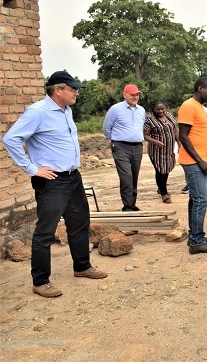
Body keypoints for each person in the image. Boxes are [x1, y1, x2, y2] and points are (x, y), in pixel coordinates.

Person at [2, 71, 107, 298]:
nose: (76, 92)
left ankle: (82, 266)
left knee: (79, 223)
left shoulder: (66, 111)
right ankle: (40, 281)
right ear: (58, 90)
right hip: (51, 180)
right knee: (46, 231)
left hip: (72, 177)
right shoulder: (38, 112)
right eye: (72, 89)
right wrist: (32, 168)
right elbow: (10, 139)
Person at [177, 77, 207, 254]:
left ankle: (195, 235)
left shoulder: (200, 108)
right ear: (200, 88)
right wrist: (200, 161)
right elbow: (183, 136)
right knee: (200, 200)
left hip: (200, 160)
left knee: (195, 200)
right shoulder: (188, 106)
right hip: (193, 162)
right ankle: (196, 242)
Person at [102, 84, 146, 211]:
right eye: (132, 94)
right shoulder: (115, 109)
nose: (135, 97)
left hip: (137, 146)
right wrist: (116, 139)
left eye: (137, 94)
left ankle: (132, 204)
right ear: (124, 95)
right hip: (121, 146)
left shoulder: (141, 110)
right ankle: (127, 205)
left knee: (134, 175)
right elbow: (106, 128)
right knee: (126, 176)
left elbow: (140, 126)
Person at [143, 100, 179, 204]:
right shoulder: (149, 121)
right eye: (158, 109)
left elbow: (175, 130)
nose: (160, 111)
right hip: (156, 150)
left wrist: (179, 143)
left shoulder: (170, 116)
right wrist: (155, 141)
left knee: (167, 169)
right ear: (153, 110)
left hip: (169, 149)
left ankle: (161, 187)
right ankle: (164, 194)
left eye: (162, 109)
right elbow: (145, 135)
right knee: (160, 170)